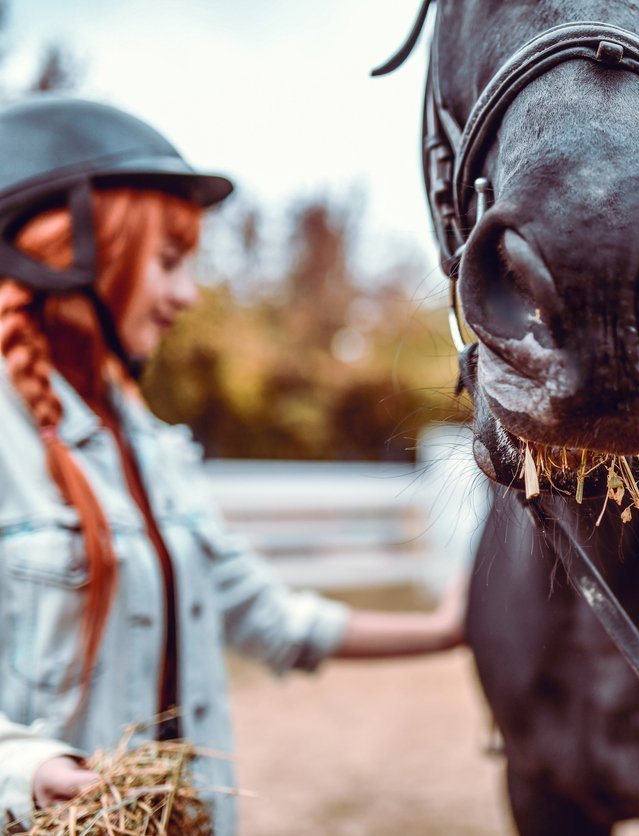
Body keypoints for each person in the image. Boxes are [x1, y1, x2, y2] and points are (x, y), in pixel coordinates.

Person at [0, 96, 464, 833]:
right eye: (168, 262)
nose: (187, 294)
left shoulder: (150, 443)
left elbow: (263, 614)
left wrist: (446, 627)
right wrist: (29, 773)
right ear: (67, 254)